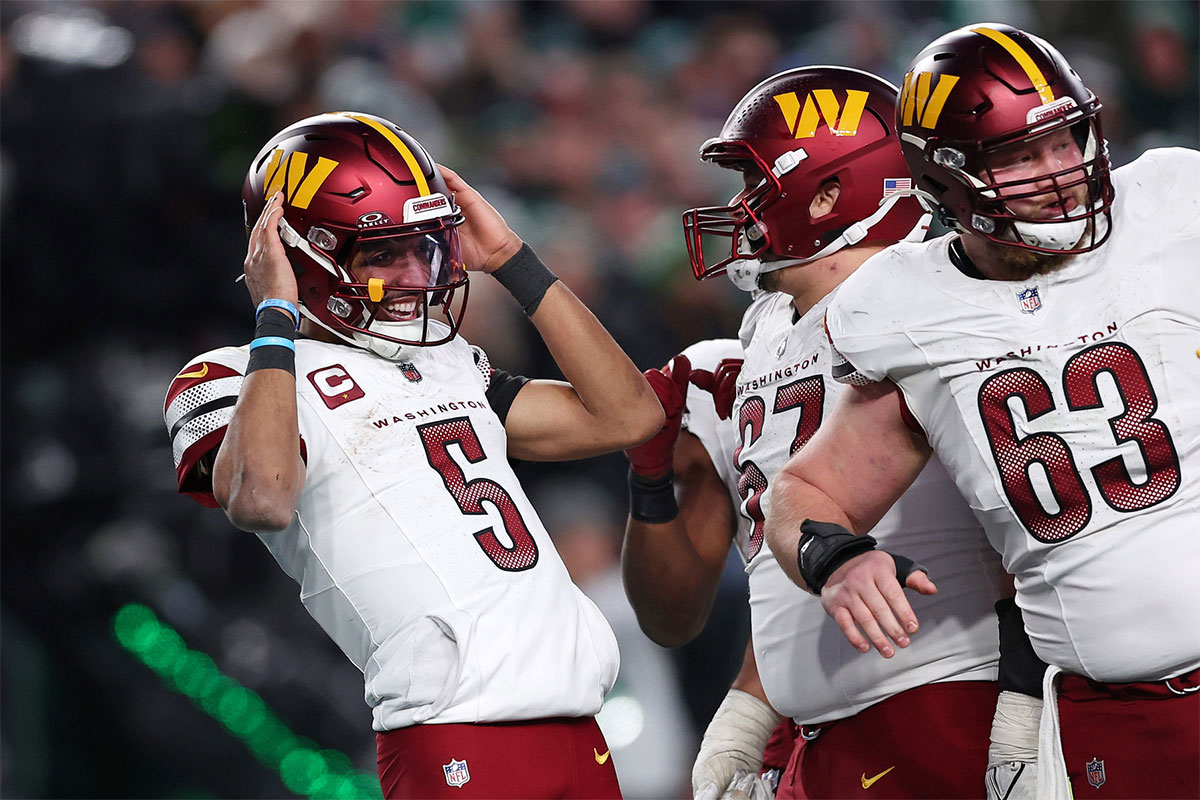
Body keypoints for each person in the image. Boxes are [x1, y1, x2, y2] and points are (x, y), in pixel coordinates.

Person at [162, 111, 665, 799]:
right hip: (456, 732)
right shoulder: (229, 376)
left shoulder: (445, 358)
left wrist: (517, 261)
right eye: (382, 253)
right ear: (297, 253)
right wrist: (274, 319)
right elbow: (263, 497)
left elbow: (629, 415)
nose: (413, 275)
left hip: (579, 727)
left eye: (424, 247)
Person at [765, 23, 1200, 800]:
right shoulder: (899, 307)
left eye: (1066, 141)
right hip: (1112, 715)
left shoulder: (1170, 204)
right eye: (1021, 156)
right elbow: (804, 496)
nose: (1061, 171)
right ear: (947, 175)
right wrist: (836, 559)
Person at [622, 67, 1007, 799]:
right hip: (827, 726)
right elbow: (790, 564)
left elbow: (1012, 517)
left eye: (756, 185)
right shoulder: (766, 327)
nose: (740, 208)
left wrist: (1022, 694)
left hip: (936, 695)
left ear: (830, 192)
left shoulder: (929, 300)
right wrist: (754, 702)